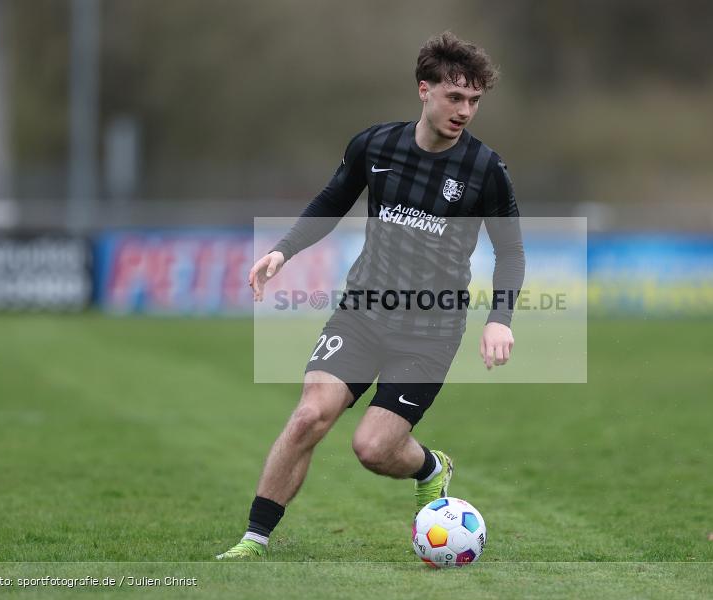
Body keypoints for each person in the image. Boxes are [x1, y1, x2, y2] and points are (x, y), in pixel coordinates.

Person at [217, 31, 525, 559]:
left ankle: (431, 467)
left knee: (372, 449)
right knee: (310, 415)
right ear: (424, 89)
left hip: (429, 332)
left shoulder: (485, 170)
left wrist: (501, 318)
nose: (465, 111)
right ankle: (254, 540)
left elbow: (511, 251)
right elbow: (331, 201)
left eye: (474, 100)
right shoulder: (375, 145)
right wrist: (283, 251)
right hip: (361, 314)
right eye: (455, 96)